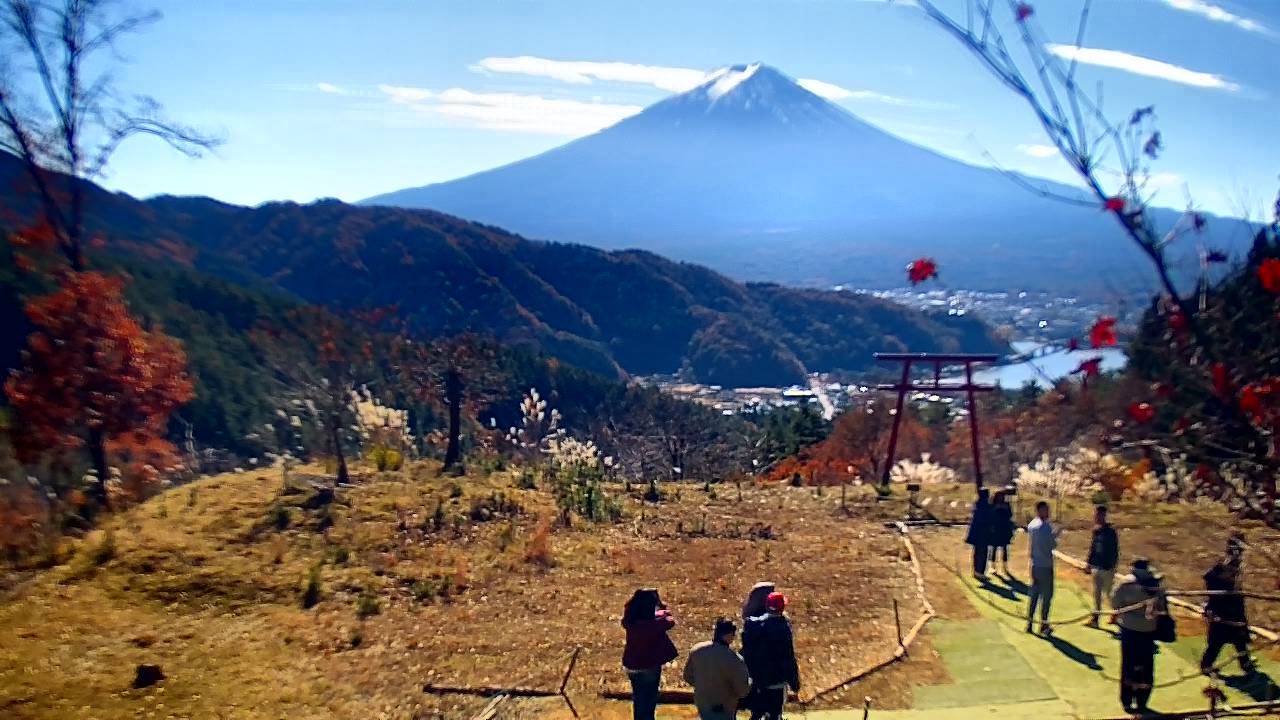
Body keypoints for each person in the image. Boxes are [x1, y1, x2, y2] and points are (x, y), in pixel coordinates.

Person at [1112, 558, 1168, 715]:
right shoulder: (1155, 584)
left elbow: (1115, 603)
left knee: (1128, 664)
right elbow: (1162, 607)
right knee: (1146, 666)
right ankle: (1142, 700)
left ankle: (1127, 700)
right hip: (1149, 630)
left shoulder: (1126, 583)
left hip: (1129, 629)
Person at [742, 592, 801, 720]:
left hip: (757, 680)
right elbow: (788, 658)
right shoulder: (783, 628)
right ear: (782, 607)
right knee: (775, 714)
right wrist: (795, 683)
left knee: (757, 713)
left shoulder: (753, 625)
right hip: (776, 682)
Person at [622, 588, 678, 720]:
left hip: (632, 665)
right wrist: (661, 605)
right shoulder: (654, 623)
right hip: (649, 665)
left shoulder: (630, 621)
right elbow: (670, 619)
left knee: (639, 698)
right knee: (649, 701)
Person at [1201, 542, 1255, 676]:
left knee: (1238, 640)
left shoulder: (1227, 569)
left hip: (1229, 610)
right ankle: (1206, 665)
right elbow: (1214, 581)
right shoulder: (1224, 570)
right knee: (1218, 641)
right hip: (1225, 611)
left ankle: (1245, 664)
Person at [684, 617, 752, 720]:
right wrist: (750, 681)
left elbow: (687, 676)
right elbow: (743, 690)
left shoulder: (697, 650)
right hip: (724, 707)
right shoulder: (734, 659)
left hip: (703, 704)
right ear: (729, 635)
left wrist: (703, 686)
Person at [1026, 500, 1059, 636]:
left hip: (1035, 564)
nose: (1048, 512)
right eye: (1046, 510)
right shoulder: (1044, 527)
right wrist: (1055, 534)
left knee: (1034, 595)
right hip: (1045, 565)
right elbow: (1052, 545)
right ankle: (1044, 625)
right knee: (1046, 596)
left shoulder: (1032, 524)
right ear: (1040, 510)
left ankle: (1029, 623)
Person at [1085, 505, 1119, 628]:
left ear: (1104, 516)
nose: (1096, 517)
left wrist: (1112, 566)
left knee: (1109, 593)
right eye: (1095, 514)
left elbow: (1115, 551)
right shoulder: (1096, 531)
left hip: (1107, 568)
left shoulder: (1111, 532)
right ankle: (1095, 618)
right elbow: (1093, 548)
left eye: (1099, 515)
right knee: (1097, 594)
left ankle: (1116, 613)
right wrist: (1088, 563)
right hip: (1096, 567)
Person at [965, 488, 993, 578]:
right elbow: (988, 519)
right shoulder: (986, 506)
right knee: (982, 553)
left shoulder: (978, 505)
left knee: (977, 552)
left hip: (977, 532)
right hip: (983, 532)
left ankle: (976, 571)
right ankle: (980, 572)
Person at [987, 491, 1015, 575]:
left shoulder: (1006, 505)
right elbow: (990, 515)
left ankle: (1004, 566)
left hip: (1004, 528)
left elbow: (1010, 514)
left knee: (1005, 548)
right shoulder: (992, 505)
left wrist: (1004, 509)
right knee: (994, 548)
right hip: (995, 529)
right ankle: (992, 566)